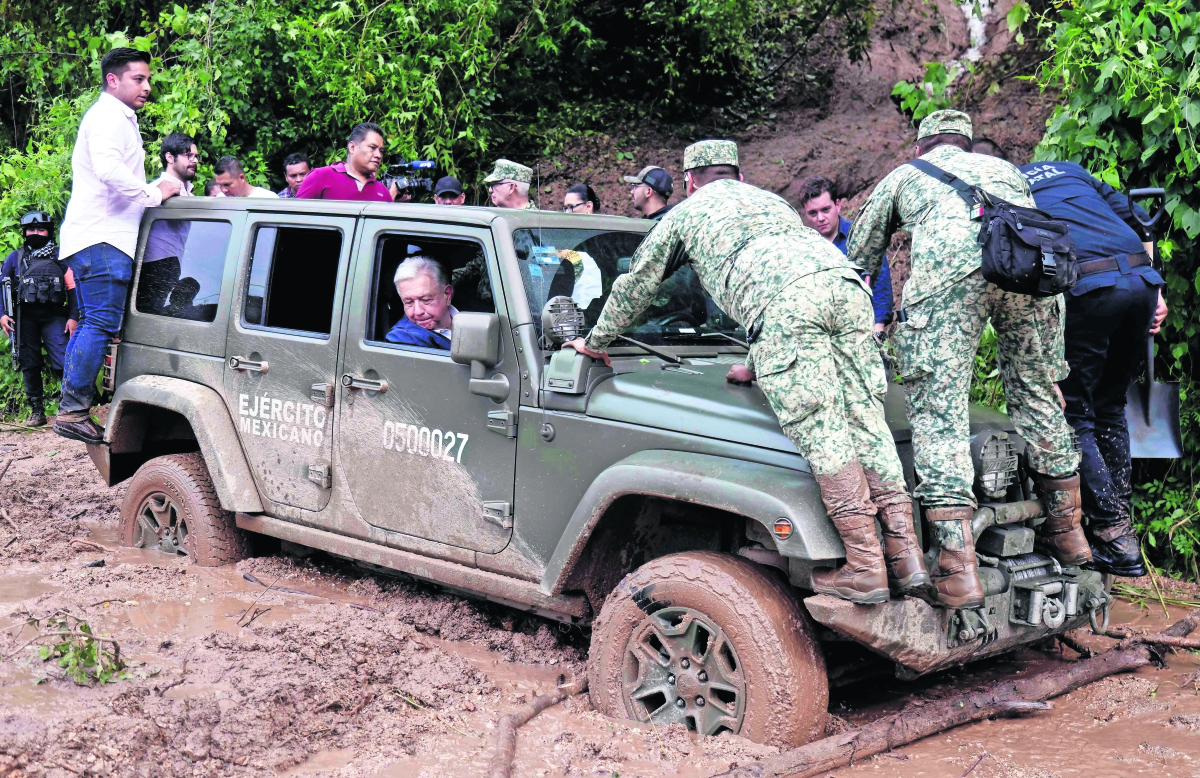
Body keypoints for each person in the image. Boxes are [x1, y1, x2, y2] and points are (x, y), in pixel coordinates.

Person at [564, 140, 929, 605]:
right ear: (738, 176)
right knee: (865, 419)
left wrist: (595, 342)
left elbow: (638, 283)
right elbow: (790, 274)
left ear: (690, 182)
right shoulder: (770, 201)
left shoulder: (686, 213)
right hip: (847, 287)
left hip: (789, 309)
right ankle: (906, 555)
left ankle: (865, 567)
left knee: (823, 431)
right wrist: (757, 365)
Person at [848, 110, 1088, 609]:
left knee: (940, 411)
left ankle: (957, 570)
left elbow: (860, 257)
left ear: (921, 147)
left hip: (951, 281)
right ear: (967, 142)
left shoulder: (905, 176)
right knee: (1038, 393)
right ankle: (1069, 534)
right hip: (1028, 273)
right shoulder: (1007, 172)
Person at [1008, 151, 1166, 577]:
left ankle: (1114, 536)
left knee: (1076, 412)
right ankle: (1122, 530)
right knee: (1111, 406)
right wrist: (1157, 291)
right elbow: (1140, 220)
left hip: (1090, 287)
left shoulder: (1006, 186)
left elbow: (1023, 264)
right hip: (1140, 279)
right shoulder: (1071, 171)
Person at [53, 47, 180, 443]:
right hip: (102, 237)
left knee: (96, 321)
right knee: (99, 322)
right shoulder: (108, 116)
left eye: (147, 79)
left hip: (102, 237)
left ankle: (72, 407)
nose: (147, 86)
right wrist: (154, 193)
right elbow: (109, 170)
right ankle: (72, 410)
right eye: (138, 79)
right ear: (113, 80)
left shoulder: (116, 117)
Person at [1, 212, 78, 427]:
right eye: (31, 230)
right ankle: (37, 411)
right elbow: (2, 286)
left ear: (49, 232)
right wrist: (2, 314)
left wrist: (73, 317)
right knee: (29, 363)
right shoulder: (15, 258)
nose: (36, 233)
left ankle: (69, 410)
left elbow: (73, 289)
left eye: (41, 229)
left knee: (63, 360)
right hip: (23, 318)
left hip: (54, 316)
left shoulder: (60, 257)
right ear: (24, 232)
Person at [798, 176, 894, 337]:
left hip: (861, 330)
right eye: (813, 213)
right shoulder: (803, 247)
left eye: (825, 210)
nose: (820, 218)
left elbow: (880, 284)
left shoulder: (861, 238)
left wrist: (879, 329)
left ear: (837, 205)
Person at [296, 123, 393, 202]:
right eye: (372, 148)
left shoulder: (383, 192)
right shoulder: (321, 177)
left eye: (381, 151)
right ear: (352, 147)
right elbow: (295, 219)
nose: (378, 155)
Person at [385, 257, 456, 349]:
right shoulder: (402, 338)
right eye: (409, 302)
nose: (418, 312)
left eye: (426, 300)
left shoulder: (472, 310)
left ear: (447, 294)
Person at [213, 156, 278, 198]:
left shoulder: (267, 198)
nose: (224, 190)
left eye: (227, 184)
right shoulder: (220, 199)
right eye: (220, 185)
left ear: (241, 178)